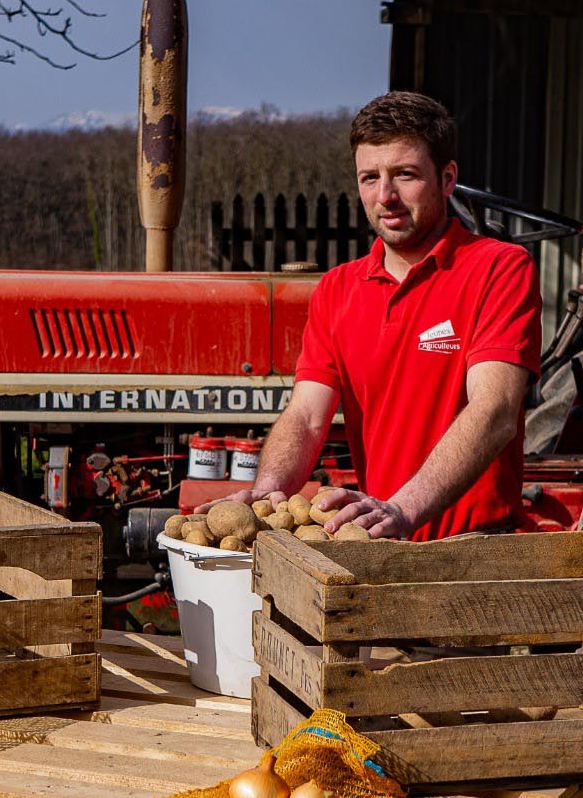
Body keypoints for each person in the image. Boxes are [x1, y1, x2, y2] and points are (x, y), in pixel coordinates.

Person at [204, 91, 541, 541]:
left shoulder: (498, 268)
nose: (385, 196)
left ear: (447, 179)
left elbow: (495, 409)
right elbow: (306, 416)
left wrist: (403, 508)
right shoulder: (336, 289)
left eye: (405, 175)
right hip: (379, 543)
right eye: (369, 177)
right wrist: (269, 490)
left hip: (474, 548)